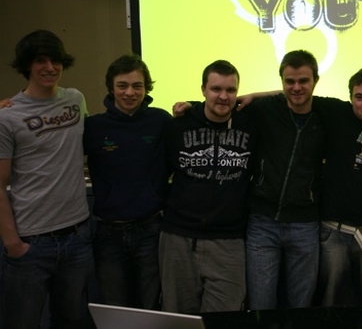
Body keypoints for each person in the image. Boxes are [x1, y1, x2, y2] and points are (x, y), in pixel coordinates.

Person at [0, 30, 94, 328]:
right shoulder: (8, 116)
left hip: (77, 237)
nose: (50, 67)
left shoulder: (76, 100)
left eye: (55, 60)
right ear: (27, 65)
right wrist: (12, 243)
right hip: (31, 243)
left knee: (72, 321)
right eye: (40, 60)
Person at [160, 60, 256, 313]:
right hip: (178, 239)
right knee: (178, 319)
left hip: (228, 242)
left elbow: (293, 95)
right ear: (203, 89)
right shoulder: (178, 126)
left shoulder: (251, 126)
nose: (224, 97)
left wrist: (256, 95)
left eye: (231, 90)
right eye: (216, 89)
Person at [83, 54, 171, 309]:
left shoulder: (160, 121)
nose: (130, 92)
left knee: (152, 306)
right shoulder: (93, 127)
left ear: (147, 88)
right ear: (111, 88)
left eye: (137, 86)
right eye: (122, 85)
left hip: (151, 230)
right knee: (115, 307)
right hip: (108, 233)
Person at [243, 50, 327, 310]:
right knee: (261, 305)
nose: (297, 87)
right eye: (289, 81)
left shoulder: (327, 112)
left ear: (316, 80)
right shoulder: (265, 110)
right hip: (262, 224)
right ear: (281, 82)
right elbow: (220, 103)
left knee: (301, 307)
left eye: (303, 81)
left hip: (305, 225)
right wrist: (189, 107)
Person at [317, 67, 362, 306]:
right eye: (359, 97)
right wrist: (252, 97)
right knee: (330, 304)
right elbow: (297, 92)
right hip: (333, 231)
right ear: (350, 98)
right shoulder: (337, 113)